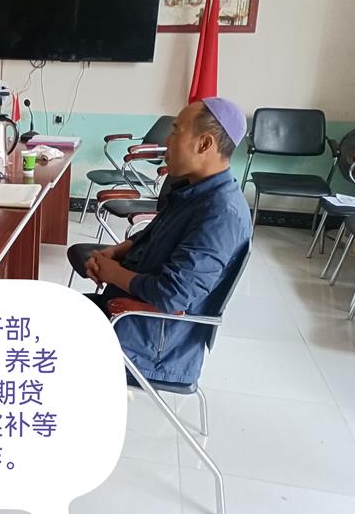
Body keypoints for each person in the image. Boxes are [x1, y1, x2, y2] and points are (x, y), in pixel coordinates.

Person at [83, 98, 252, 385]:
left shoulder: (221, 214)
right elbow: (158, 232)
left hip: (150, 344)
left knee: (32, 340)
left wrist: (114, 273)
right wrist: (117, 251)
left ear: (204, 144)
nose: (167, 141)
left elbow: (171, 295)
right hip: (131, 317)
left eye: (176, 131)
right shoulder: (196, 190)